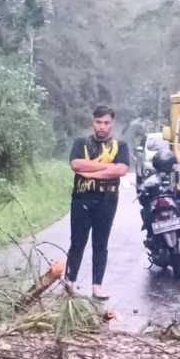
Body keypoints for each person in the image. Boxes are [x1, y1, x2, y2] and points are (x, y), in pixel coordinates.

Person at [65, 105, 130, 299]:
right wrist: (107, 168)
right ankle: (70, 282)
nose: (102, 126)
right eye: (98, 122)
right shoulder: (81, 143)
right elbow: (76, 164)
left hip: (107, 200)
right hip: (81, 199)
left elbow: (121, 170)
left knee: (100, 243)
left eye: (106, 123)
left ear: (112, 123)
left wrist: (91, 171)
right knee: (77, 242)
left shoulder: (121, 145)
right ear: (93, 122)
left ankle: (97, 286)